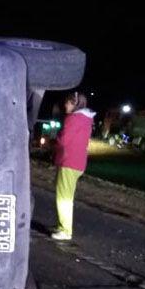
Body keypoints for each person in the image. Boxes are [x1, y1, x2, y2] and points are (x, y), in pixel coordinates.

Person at [51, 92, 95, 240]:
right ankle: (62, 226)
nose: (66, 105)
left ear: (75, 104)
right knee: (67, 196)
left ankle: (65, 230)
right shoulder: (86, 120)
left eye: (68, 102)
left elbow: (63, 141)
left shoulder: (73, 118)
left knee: (63, 197)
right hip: (78, 162)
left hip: (68, 161)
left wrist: (55, 140)